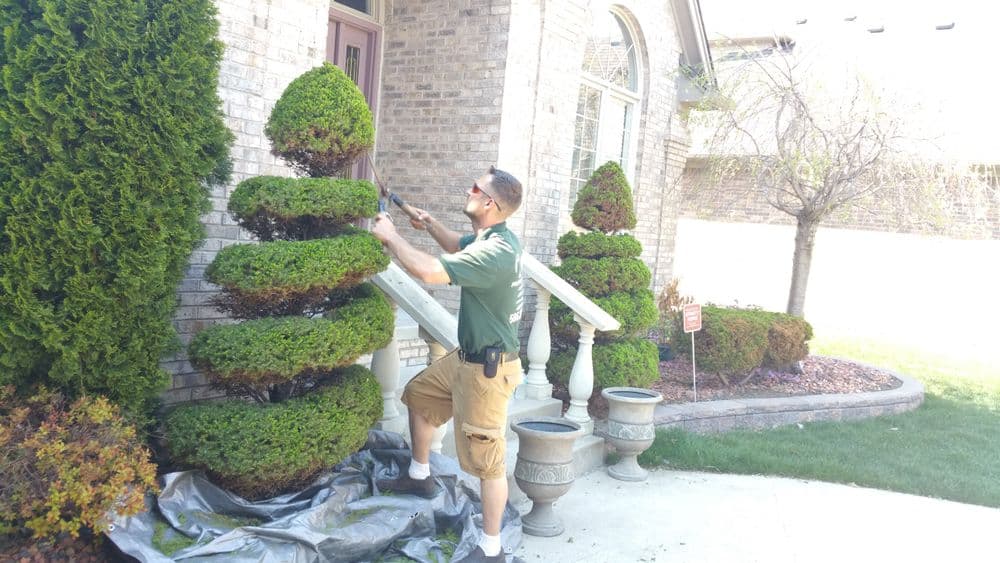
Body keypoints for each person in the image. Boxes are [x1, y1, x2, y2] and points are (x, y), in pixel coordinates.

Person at [371, 165, 524, 563]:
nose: (467, 189)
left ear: (490, 203)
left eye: (475, 188)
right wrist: (428, 224)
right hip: (466, 358)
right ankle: (420, 477)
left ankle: (492, 549)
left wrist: (391, 237)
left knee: (487, 462)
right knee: (418, 396)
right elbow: (457, 245)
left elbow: (428, 270)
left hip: (487, 373)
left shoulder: (494, 254)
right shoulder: (495, 238)